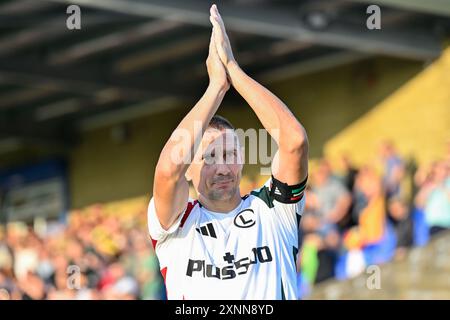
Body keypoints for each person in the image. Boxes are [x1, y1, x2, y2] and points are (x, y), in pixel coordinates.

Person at [147, 4, 308, 299]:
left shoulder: (273, 210)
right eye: (209, 157)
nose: (222, 168)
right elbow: (168, 170)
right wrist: (216, 88)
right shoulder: (177, 223)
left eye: (230, 155)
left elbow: (294, 141)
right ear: (189, 170)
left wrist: (233, 70)